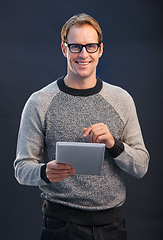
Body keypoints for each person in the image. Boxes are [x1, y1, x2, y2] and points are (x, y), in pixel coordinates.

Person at [14, 13, 150, 240]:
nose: (83, 54)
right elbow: (21, 169)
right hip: (60, 225)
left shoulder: (122, 100)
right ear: (64, 49)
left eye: (91, 46)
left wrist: (113, 145)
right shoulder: (39, 101)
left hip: (113, 226)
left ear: (100, 50)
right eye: (75, 46)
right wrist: (44, 172)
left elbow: (141, 166)